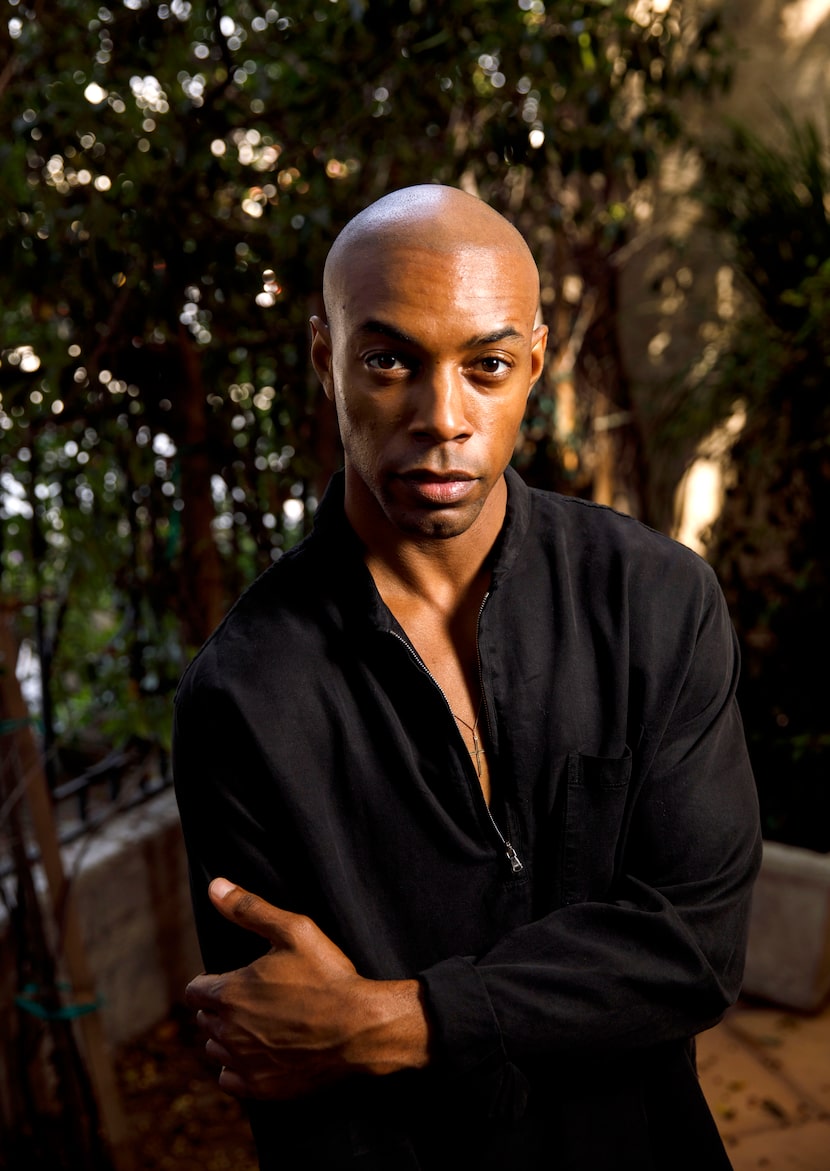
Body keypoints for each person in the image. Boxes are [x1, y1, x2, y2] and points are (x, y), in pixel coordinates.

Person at [173, 183, 762, 1171]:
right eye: (389, 360)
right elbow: (282, 1053)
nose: (442, 417)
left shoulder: (655, 602)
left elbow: (692, 953)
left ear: (532, 365)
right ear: (327, 360)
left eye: (484, 365)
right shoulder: (242, 695)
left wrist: (385, 1023)